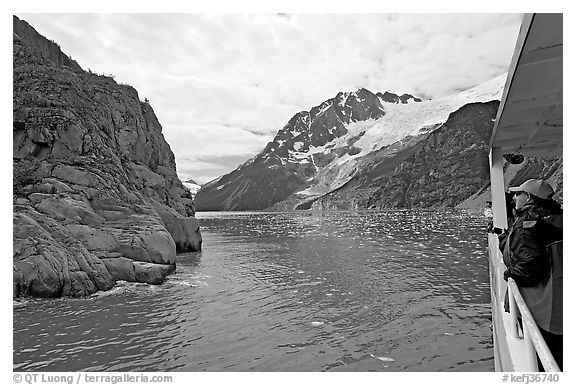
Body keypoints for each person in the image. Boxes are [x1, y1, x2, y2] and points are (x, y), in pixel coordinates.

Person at [498, 179, 563, 370]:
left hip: (545, 308)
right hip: (561, 299)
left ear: (528, 197)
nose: (514, 197)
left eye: (518, 194)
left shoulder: (528, 224)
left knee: (545, 358)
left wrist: (510, 272)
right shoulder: (558, 217)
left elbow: (530, 267)